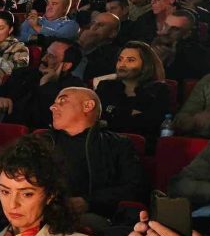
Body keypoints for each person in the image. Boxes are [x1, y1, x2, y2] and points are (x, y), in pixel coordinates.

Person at [42, 87, 146, 224]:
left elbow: (135, 188)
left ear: (88, 106)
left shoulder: (118, 144)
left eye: (62, 101)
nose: (52, 107)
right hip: (41, 214)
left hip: (93, 217)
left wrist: (88, 202)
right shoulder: (42, 141)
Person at [0, 39, 85, 129]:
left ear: (65, 66)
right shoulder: (25, 73)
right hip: (3, 129)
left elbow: (47, 119)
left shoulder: (72, 90)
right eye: (46, 53)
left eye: (51, 56)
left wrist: (45, 85)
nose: (43, 58)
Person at [96, 41, 171, 141]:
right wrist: (130, 113)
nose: (122, 64)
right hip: (104, 141)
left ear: (145, 65)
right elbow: (96, 117)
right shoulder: (106, 86)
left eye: (130, 60)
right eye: (120, 59)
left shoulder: (157, 90)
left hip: (139, 144)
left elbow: (148, 124)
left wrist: (110, 118)